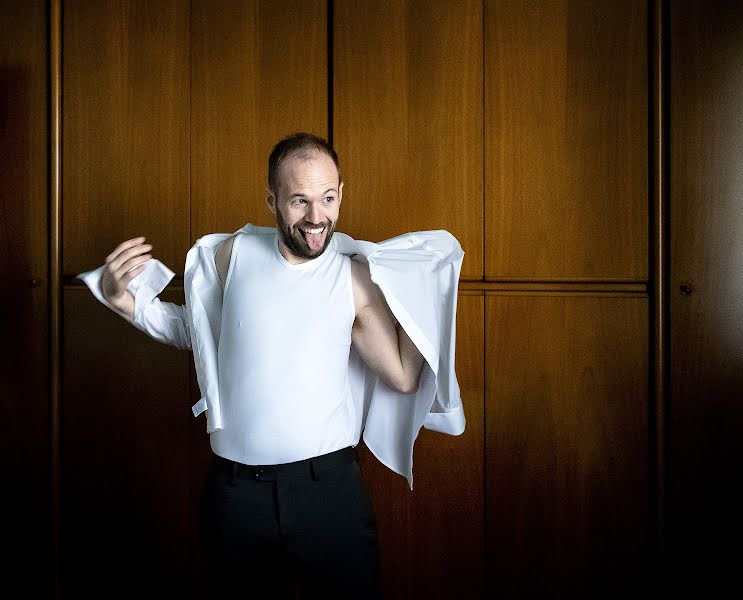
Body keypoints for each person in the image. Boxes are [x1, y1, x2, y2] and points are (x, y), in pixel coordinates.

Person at [79, 133, 465, 598]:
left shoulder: (353, 278)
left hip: (329, 493)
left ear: (341, 192)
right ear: (271, 199)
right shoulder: (228, 256)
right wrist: (127, 303)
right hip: (237, 496)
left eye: (327, 198)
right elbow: (197, 336)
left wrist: (427, 295)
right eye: (299, 201)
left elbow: (403, 376)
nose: (316, 217)